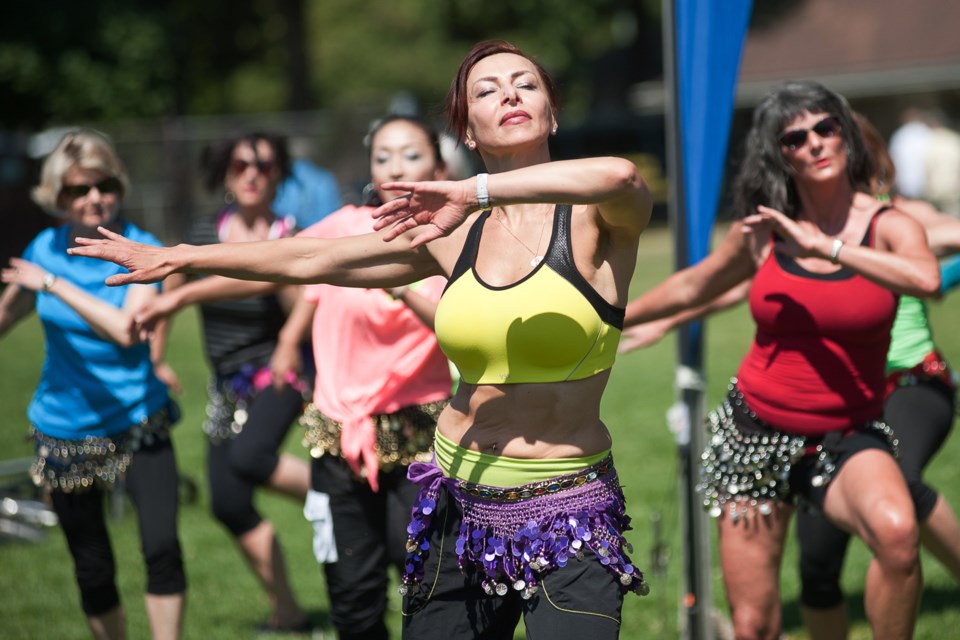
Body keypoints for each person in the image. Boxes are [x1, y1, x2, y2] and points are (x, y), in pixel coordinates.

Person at [69, 39, 654, 640]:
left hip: (569, 511)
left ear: (552, 114)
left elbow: (622, 174)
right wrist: (184, 255)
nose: (508, 93)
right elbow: (313, 256)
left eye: (526, 84)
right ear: (469, 133)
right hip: (462, 502)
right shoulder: (449, 235)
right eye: (486, 89)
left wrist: (472, 191)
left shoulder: (599, 219)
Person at [619, 81, 941, 640]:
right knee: (755, 623)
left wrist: (827, 248)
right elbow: (697, 284)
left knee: (897, 535)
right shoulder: (767, 231)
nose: (814, 143)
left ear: (845, 133)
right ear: (779, 153)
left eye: (825, 128)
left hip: (847, 433)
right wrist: (613, 314)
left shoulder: (888, 226)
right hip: (755, 434)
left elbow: (926, 278)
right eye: (796, 137)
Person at [273, 114, 454, 640]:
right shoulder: (344, 224)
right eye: (383, 156)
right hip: (339, 438)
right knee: (351, 593)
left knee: (428, 583)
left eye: (411, 154)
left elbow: (453, 327)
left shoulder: (451, 237)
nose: (396, 166)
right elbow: (286, 263)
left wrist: (399, 285)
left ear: (439, 166)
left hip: (420, 438)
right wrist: (185, 272)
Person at [0, 129, 186, 639]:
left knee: (161, 548)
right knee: (91, 565)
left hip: (137, 418)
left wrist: (54, 285)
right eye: (77, 191)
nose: (93, 198)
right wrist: (36, 283)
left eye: (102, 185)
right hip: (63, 427)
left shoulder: (143, 249)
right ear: (56, 197)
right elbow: (8, 311)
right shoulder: (44, 248)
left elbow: (128, 331)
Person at [131, 132, 313, 633]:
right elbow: (169, 289)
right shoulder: (204, 233)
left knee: (248, 458)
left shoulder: (289, 235)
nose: (252, 173)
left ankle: (332, 493)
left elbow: (291, 291)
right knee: (228, 503)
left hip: (281, 374)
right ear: (226, 174)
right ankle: (289, 611)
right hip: (225, 383)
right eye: (241, 164)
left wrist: (287, 341)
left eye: (265, 165)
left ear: (278, 175)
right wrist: (158, 357)